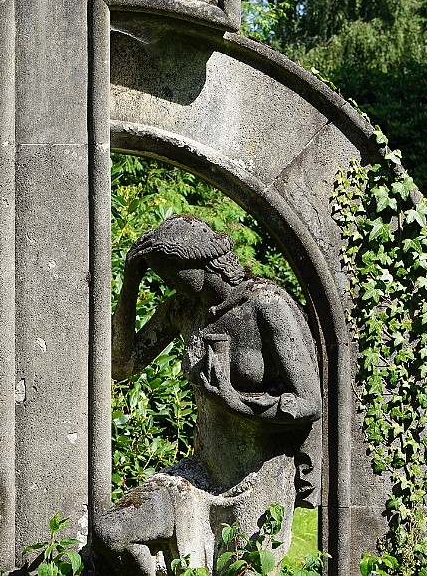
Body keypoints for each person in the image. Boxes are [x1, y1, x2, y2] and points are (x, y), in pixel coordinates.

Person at [95, 215, 321, 576]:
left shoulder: (266, 305)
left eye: (171, 272)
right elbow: (121, 365)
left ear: (199, 261)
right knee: (111, 531)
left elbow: (310, 402)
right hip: (197, 475)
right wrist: (130, 282)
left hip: (256, 480)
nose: (168, 282)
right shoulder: (184, 309)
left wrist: (236, 402)